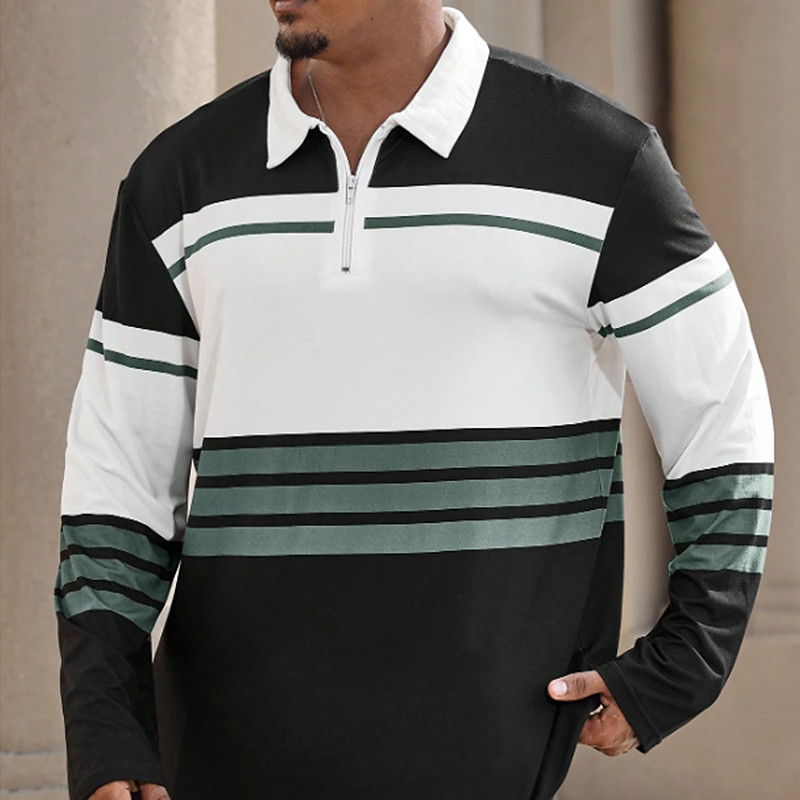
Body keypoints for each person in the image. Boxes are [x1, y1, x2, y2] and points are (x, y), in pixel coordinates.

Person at [55, 2, 774, 799]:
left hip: (484, 752)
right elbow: (116, 481)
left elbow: (723, 417)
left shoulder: (595, 159)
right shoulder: (180, 178)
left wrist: (684, 662)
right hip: (220, 755)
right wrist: (104, 727)